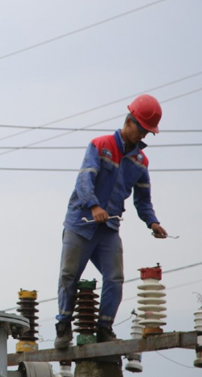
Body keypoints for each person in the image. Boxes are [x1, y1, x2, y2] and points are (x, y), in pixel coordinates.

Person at [54, 94, 168, 349]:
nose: (143, 136)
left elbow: (143, 199)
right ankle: (63, 327)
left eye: (148, 133)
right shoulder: (99, 145)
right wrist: (94, 205)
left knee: (115, 277)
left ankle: (104, 328)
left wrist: (152, 223)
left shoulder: (140, 162)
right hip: (81, 223)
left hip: (108, 228)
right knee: (68, 274)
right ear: (129, 122)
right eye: (141, 130)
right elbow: (84, 181)